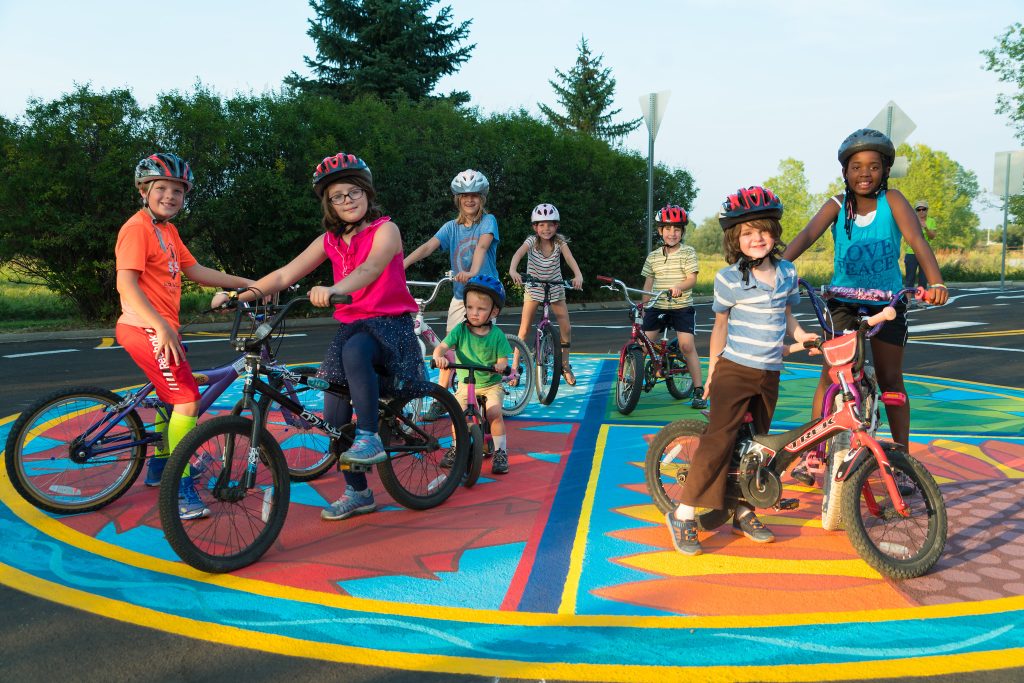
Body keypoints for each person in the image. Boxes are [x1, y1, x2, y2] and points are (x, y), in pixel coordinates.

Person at [214, 152, 432, 521]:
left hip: (388, 325)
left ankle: (370, 436)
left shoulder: (386, 230)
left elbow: (371, 267)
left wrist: (333, 289)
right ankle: (358, 493)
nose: (347, 201)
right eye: (337, 196)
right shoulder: (329, 240)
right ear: (328, 204)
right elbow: (284, 275)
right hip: (353, 329)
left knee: (356, 352)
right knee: (332, 416)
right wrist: (242, 295)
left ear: (367, 193)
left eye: (354, 192)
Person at [783, 129, 949, 485]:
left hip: (885, 302)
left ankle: (902, 459)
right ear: (844, 171)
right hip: (843, 302)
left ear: (885, 171)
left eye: (874, 166)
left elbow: (917, 240)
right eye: (856, 166)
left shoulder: (894, 201)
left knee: (891, 379)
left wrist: (935, 282)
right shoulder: (836, 205)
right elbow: (805, 237)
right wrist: (774, 271)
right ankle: (814, 455)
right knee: (831, 375)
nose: (864, 173)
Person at [665, 186, 817, 556]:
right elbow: (719, 327)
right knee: (719, 441)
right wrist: (713, 369)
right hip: (735, 369)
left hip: (770, 371)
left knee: (758, 447)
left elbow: (786, 315)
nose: (757, 238)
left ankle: (743, 509)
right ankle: (684, 514)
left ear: (774, 233)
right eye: (747, 233)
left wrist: (801, 335)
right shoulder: (728, 278)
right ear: (736, 239)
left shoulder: (787, 272)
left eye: (763, 230)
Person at [116, 153, 255, 519]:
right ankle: (180, 489)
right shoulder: (137, 228)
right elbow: (125, 283)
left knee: (169, 399)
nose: (170, 196)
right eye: (160, 188)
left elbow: (194, 269)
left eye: (177, 191)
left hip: (160, 328)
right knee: (188, 401)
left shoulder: (167, 231)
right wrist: (160, 326)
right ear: (143, 191)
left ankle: (161, 467)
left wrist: (247, 283)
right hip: (146, 327)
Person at [404, 169, 500, 412]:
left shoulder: (488, 222)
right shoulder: (451, 227)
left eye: (475, 195)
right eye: (464, 195)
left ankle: (487, 390)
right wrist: (401, 265)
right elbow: (428, 247)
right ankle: (442, 399)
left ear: (482, 198)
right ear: (458, 199)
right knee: (449, 346)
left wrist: (473, 273)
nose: (470, 200)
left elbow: (481, 247)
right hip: (460, 296)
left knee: (479, 344)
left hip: (485, 293)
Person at [431, 275, 514, 474]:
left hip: (491, 384)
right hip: (465, 385)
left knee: (494, 413)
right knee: (457, 414)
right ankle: (456, 447)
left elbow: (504, 359)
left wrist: (500, 365)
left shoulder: (497, 335)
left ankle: (501, 452)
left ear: (494, 311)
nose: (474, 313)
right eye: (470, 307)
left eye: (481, 309)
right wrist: (439, 356)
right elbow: (441, 347)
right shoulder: (460, 330)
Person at [639, 204, 707, 409]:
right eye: (667, 229)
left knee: (687, 346)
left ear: (682, 232)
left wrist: (679, 286)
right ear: (660, 231)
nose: (672, 233)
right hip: (657, 306)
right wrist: (643, 304)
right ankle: (633, 382)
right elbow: (649, 282)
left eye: (677, 229)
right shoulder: (653, 256)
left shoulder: (688, 253)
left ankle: (698, 390)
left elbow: (692, 279)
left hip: (681, 307)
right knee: (643, 345)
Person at [508, 203, 584, 385]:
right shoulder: (531, 241)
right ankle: (515, 367)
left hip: (555, 288)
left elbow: (569, 259)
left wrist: (578, 275)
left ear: (556, 226)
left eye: (550, 224)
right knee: (524, 329)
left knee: (566, 327)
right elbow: (518, 255)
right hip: (534, 288)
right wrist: (513, 270)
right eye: (541, 225)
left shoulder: (560, 243)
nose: (546, 229)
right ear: (535, 227)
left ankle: (565, 365)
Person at [905, 199, 937, 290]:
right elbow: (907, 238)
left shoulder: (931, 221)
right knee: (910, 278)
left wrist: (925, 228)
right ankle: (908, 302)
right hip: (912, 252)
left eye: (924, 209)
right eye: (919, 209)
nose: (921, 211)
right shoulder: (911, 220)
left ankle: (920, 302)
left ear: (927, 210)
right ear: (916, 211)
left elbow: (932, 237)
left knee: (923, 279)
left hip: (925, 253)